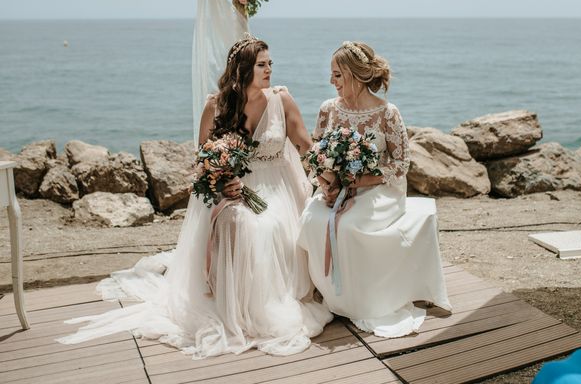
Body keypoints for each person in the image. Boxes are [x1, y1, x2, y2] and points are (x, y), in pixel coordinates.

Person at [57, 35, 332, 358]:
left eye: (270, 63)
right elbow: (203, 161)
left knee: (265, 228)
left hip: (279, 189)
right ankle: (232, 308)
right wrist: (221, 183)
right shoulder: (216, 106)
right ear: (242, 69)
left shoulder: (281, 100)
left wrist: (330, 179)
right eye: (262, 65)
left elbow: (305, 146)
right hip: (233, 188)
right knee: (235, 220)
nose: (269, 70)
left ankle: (257, 307)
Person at [298, 41, 451, 338]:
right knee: (311, 219)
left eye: (337, 75)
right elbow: (316, 153)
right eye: (331, 75)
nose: (331, 82)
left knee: (352, 225)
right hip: (336, 185)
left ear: (356, 76)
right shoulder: (327, 109)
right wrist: (327, 184)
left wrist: (361, 182)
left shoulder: (387, 113)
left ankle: (361, 301)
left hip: (380, 189)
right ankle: (331, 296)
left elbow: (401, 162)